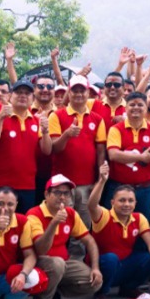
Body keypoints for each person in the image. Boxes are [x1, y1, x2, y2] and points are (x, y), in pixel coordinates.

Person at [21, 173, 103, 299]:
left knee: (94, 282)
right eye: (57, 192)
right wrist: (54, 223)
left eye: (66, 193)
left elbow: (89, 241)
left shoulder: (70, 213)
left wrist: (95, 268)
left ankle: (54, 292)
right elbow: (41, 249)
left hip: (62, 264)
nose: (62, 197)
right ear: (46, 194)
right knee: (57, 264)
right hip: (37, 263)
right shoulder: (34, 214)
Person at [89, 167, 150, 299]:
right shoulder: (104, 216)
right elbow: (92, 206)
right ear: (112, 202)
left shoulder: (139, 218)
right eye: (122, 200)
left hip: (123, 264)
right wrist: (102, 181)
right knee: (111, 259)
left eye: (130, 201)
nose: (126, 204)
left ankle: (129, 288)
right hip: (102, 266)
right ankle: (101, 292)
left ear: (135, 203)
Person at [43, 75, 107, 221]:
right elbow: (54, 148)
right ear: (69, 92)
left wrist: (99, 180)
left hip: (87, 183)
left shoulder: (97, 119)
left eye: (82, 91)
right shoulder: (56, 116)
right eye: (75, 90)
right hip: (62, 184)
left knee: (84, 223)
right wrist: (67, 135)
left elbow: (101, 151)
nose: (79, 94)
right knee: (62, 222)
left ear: (88, 93)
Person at [105, 90, 150, 218]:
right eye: (132, 104)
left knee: (142, 224)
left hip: (144, 189)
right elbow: (113, 155)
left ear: (146, 108)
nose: (136, 108)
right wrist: (140, 157)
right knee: (114, 222)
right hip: (118, 187)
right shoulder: (116, 129)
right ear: (126, 108)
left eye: (140, 105)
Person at [0, 78, 45, 211]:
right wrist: (1, 118)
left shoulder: (36, 120)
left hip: (28, 184)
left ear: (33, 98)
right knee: (0, 220)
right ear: (10, 96)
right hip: (1, 184)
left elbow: (46, 150)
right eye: (18, 92)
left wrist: (46, 130)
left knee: (24, 221)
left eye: (27, 93)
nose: (23, 96)